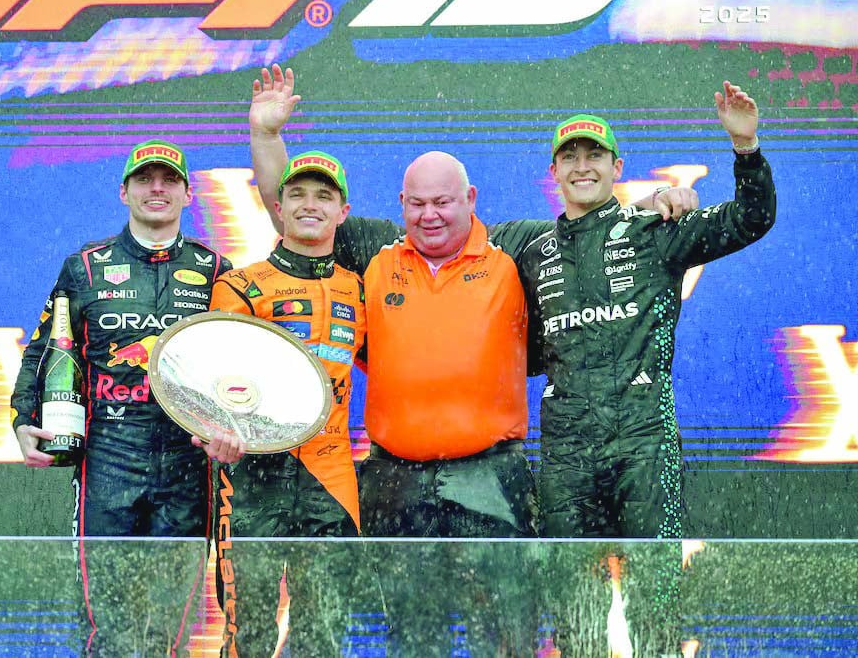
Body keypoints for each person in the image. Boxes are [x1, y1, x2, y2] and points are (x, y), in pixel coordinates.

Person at [248, 65, 698, 539]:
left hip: (492, 476)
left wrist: (654, 202)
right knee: (406, 616)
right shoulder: (377, 248)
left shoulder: (515, 245)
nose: (430, 215)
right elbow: (296, 217)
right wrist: (266, 134)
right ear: (402, 202)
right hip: (393, 476)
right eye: (417, 204)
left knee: (506, 614)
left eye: (443, 202)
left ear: (471, 199)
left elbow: (588, 227)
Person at [519, 81, 777, 539]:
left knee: (655, 588)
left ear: (616, 167)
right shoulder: (529, 249)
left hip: (646, 445)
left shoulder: (656, 230)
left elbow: (750, 218)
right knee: (569, 592)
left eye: (594, 156)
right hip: (566, 452)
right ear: (553, 171)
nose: (582, 167)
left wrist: (745, 146)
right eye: (570, 158)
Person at [10, 139, 233, 655]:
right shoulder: (84, 267)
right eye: (144, 180)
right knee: (108, 622)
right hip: (107, 456)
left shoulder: (216, 269)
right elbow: (44, 350)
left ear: (187, 193)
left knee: (170, 627)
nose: (157, 188)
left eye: (169, 180)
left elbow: (233, 365)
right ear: (124, 191)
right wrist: (23, 419)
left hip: (187, 461)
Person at [196, 149, 365, 538]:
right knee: (248, 602)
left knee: (329, 601)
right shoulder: (238, 286)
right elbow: (211, 384)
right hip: (251, 474)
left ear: (343, 211)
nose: (310, 205)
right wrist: (211, 428)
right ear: (279, 206)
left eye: (324, 196)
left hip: (332, 474)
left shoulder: (359, 291)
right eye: (298, 194)